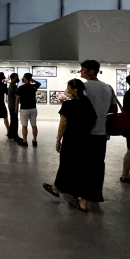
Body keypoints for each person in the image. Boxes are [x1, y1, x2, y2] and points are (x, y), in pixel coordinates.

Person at [42, 79, 98, 212]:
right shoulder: (87, 103)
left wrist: (58, 139)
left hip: (71, 139)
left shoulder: (68, 105)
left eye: (68, 87)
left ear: (74, 89)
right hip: (86, 139)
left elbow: (63, 124)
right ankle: (59, 189)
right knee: (82, 168)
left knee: (66, 164)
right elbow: (93, 120)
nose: (67, 90)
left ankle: (79, 200)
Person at [77, 60, 117, 211]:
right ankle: (95, 194)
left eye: (83, 69)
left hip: (85, 132)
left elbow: (77, 108)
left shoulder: (83, 87)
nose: (80, 72)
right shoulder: (108, 87)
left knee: (83, 165)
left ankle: (83, 198)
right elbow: (113, 109)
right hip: (101, 132)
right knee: (98, 165)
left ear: (91, 71)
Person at [15, 73, 41, 147]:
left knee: (24, 126)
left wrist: (16, 108)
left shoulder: (21, 88)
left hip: (24, 109)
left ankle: (25, 141)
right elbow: (39, 83)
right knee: (34, 125)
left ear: (25, 78)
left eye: (23, 77)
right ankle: (34, 140)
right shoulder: (33, 87)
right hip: (33, 108)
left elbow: (17, 99)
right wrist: (32, 80)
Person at [7, 73, 24, 143]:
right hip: (13, 106)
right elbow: (16, 96)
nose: (17, 79)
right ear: (13, 78)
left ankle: (10, 134)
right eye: (16, 77)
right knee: (15, 121)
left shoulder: (12, 85)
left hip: (11, 105)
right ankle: (15, 136)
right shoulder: (13, 86)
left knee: (13, 120)